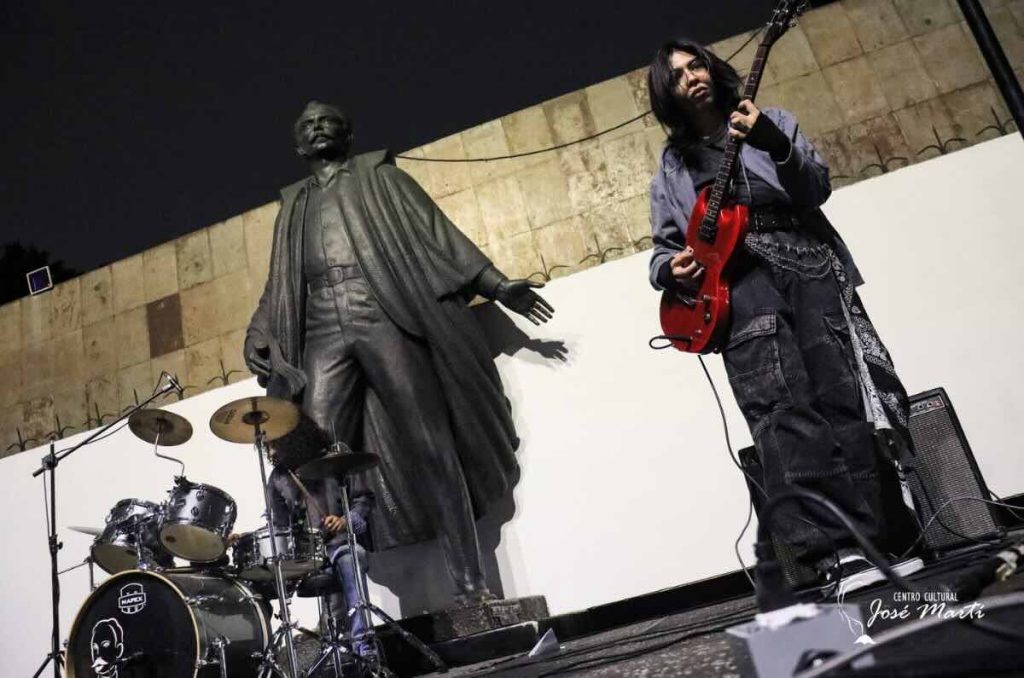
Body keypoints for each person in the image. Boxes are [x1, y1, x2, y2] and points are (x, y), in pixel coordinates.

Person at [244, 101, 554, 603]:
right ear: (298, 145)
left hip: (381, 311)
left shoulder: (381, 179)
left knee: (431, 439)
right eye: (306, 125)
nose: (316, 127)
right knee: (317, 458)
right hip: (322, 327)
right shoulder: (293, 207)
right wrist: (259, 329)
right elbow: (280, 282)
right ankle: (339, 611)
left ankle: (472, 587)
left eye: (327, 120)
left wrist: (497, 285)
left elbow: (438, 236)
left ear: (346, 133)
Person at [646, 40, 919, 592]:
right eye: (676, 74)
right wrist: (668, 271)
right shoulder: (674, 165)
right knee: (781, 408)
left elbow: (815, 188)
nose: (691, 76)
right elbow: (662, 247)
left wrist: (771, 140)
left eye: (696, 63)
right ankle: (832, 552)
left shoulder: (773, 121)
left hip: (807, 261)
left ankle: (876, 539)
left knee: (841, 398)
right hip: (740, 284)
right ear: (666, 92)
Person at [265, 414, 376, 657]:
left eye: (275, 445)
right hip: (307, 556)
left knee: (352, 557)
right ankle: (332, 644)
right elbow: (279, 524)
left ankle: (363, 645)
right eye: (267, 446)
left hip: (340, 545)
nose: (271, 452)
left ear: (292, 440)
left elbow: (364, 499)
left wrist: (346, 521)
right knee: (331, 615)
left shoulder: (335, 458)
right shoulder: (278, 479)